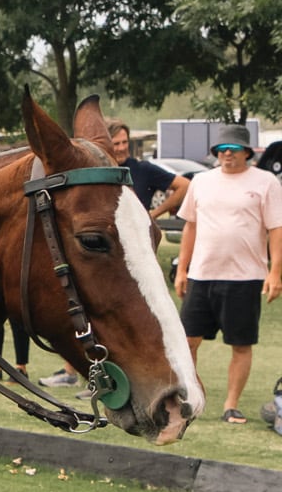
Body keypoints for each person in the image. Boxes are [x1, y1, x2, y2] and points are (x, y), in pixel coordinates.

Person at [41, 119, 189, 388]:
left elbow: (184, 186)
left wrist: (151, 215)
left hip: (133, 253)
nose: (121, 148)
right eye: (116, 143)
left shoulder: (141, 169)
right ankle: (77, 372)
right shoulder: (96, 173)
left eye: (124, 143)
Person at [173, 123, 282, 424]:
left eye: (233, 149)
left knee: (240, 344)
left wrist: (275, 273)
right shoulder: (201, 181)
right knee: (187, 342)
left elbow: (276, 229)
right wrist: (182, 269)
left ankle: (230, 405)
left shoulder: (266, 182)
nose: (226, 154)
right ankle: (192, 398)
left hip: (244, 278)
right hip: (202, 275)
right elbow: (190, 227)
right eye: (221, 150)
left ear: (246, 152)